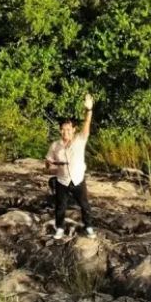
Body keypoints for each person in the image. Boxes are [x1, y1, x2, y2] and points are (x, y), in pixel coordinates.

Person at [45, 92, 95, 239]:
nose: (65, 132)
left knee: (85, 205)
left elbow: (87, 123)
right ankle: (59, 228)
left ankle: (88, 227)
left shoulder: (80, 139)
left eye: (68, 129)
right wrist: (50, 164)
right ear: (60, 130)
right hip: (62, 180)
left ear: (73, 129)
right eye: (63, 129)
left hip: (78, 179)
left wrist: (88, 110)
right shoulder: (55, 145)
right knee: (60, 206)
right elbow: (47, 163)